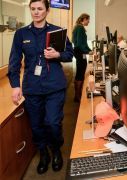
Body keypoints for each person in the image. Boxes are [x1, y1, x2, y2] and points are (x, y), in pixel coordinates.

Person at [8, 0, 73, 175]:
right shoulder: (21, 34)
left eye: (40, 9)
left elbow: (69, 54)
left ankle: (56, 150)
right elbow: (14, 61)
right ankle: (43, 153)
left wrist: (57, 54)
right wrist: (15, 86)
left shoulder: (57, 32)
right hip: (32, 88)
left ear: (47, 10)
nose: (36, 12)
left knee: (52, 123)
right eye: (33, 9)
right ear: (30, 9)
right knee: (36, 125)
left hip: (54, 86)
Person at [72, 13, 91, 102]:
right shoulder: (80, 28)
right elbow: (79, 44)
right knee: (80, 73)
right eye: (88, 20)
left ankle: (78, 95)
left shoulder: (79, 27)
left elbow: (84, 44)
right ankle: (78, 96)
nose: (89, 22)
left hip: (80, 52)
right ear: (83, 19)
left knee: (81, 71)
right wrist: (88, 51)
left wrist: (90, 50)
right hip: (79, 52)